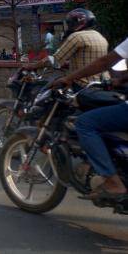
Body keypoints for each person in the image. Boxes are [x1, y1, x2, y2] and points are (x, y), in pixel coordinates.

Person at [51, 37, 128, 198]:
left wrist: (68, 78)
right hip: (100, 82)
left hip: (82, 83)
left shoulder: (74, 38)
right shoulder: (98, 37)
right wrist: (122, 80)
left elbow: (105, 62)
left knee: (85, 123)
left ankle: (112, 182)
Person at [24, 9, 108, 85]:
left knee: (50, 92)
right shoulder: (100, 37)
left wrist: (33, 66)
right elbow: (90, 60)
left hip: (81, 85)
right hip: (101, 84)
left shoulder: (77, 36)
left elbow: (54, 60)